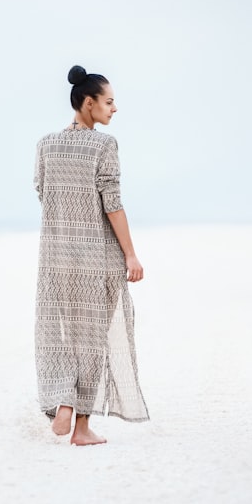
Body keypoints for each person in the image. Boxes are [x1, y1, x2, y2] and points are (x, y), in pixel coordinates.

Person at [33, 64, 150, 445]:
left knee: (61, 333)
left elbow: (42, 191)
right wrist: (131, 255)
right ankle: (81, 428)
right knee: (93, 337)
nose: (114, 109)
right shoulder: (104, 145)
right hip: (97, 256)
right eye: (109, 102)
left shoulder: (46, 144)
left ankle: (62, 399)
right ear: (88, 103)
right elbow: (112, 204)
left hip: (55, 255)